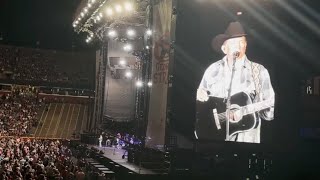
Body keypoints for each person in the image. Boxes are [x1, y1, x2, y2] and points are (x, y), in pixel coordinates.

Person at [196, 22, 275, 143]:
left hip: (247, 141)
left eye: (241, 42)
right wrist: (200, 96)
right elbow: (199, 104)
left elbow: (270, 107)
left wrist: (244, 110)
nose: (238, 46)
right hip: (215, 140)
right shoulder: (212, 70)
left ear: (246, 45)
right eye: (233, 43)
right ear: (224, 48)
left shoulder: (259, 71)